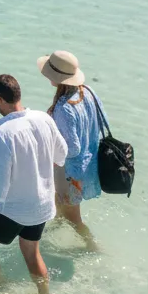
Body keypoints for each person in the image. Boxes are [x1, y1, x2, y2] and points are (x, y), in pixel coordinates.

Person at [0, 74, 67, 294]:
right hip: (43, 205)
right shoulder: (43, 119)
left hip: (14, 209)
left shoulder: (4, 133)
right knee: (31, 252)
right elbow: (62, 155)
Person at [39, 50, 102, 246]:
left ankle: (93, 247)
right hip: (88, 164)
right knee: (60, 205)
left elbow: (71, 149)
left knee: (73, 218)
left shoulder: (64, 108)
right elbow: (101, 121)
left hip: (70, 173)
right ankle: (52, 232)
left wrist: (46, 143)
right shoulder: (88, 91)